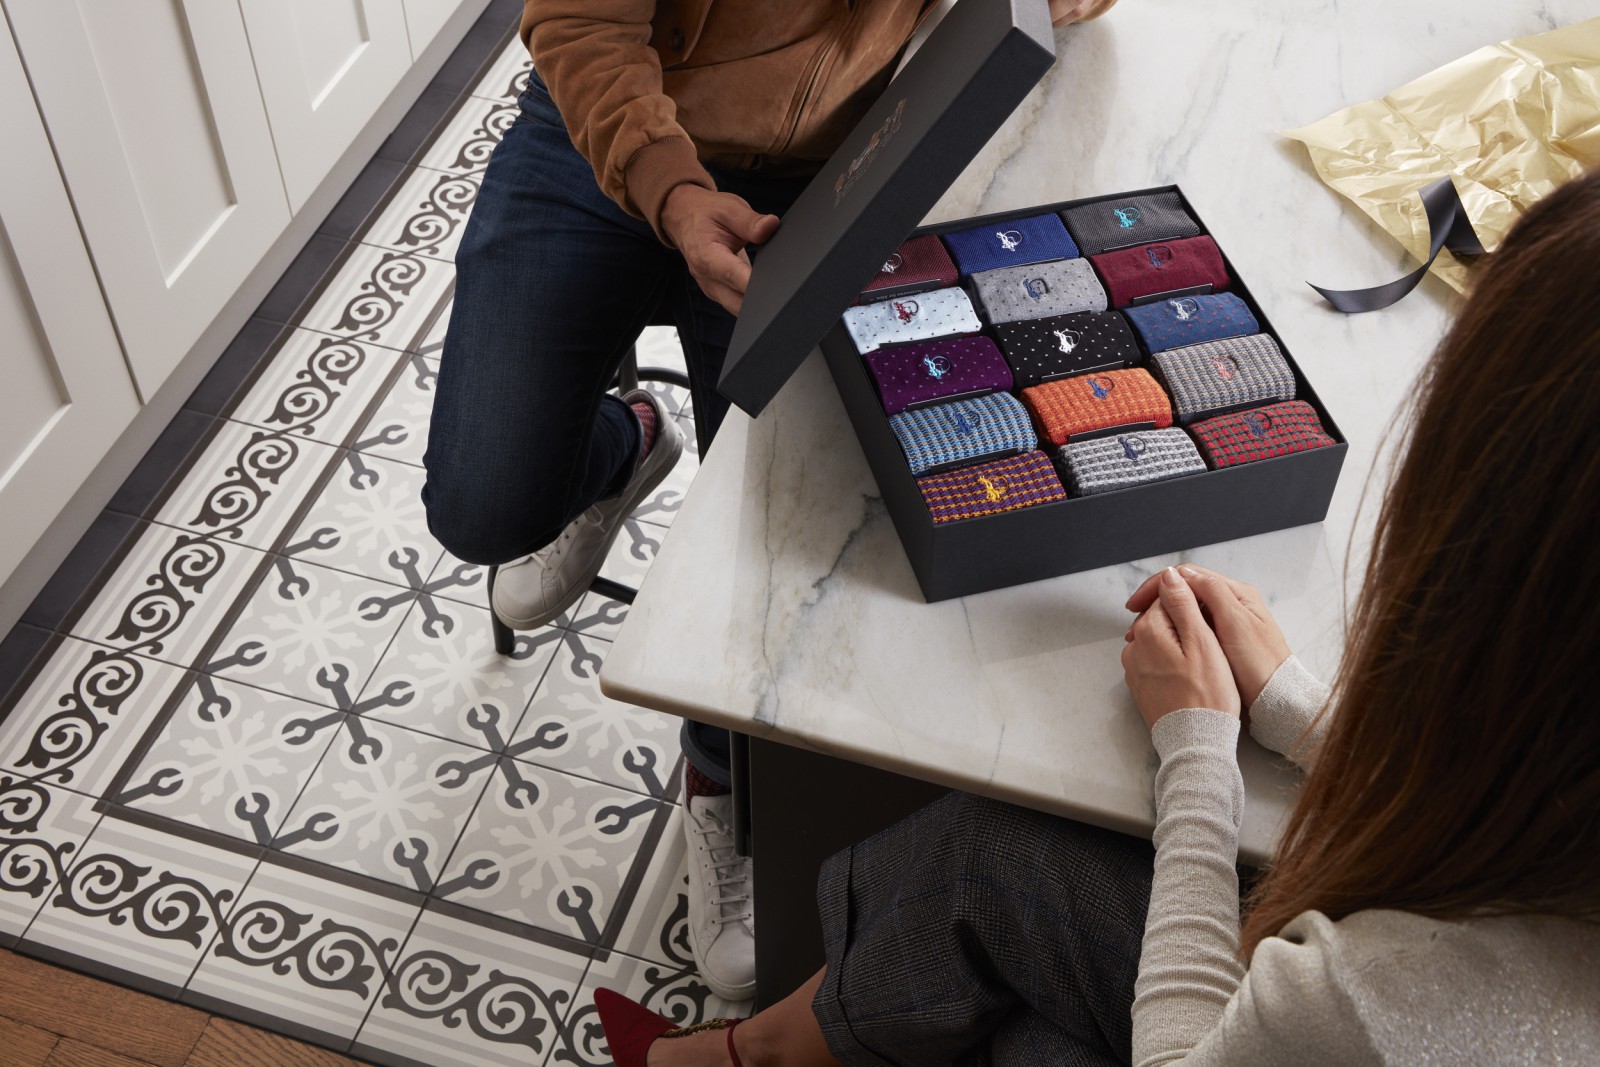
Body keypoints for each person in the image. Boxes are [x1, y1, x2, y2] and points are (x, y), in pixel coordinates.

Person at [590, 165, 1600, 1064]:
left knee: (1025, 1021)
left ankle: (744, 1055)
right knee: (993, 859)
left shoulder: (1391, 998)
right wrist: (1294, 708)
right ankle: (753, 1053)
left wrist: (1197, 750)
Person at [421, 0, 1117, 1001]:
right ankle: (627, 447)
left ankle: (719, 776)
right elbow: (577, 22)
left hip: (826, 167)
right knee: (482, 508)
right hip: (603, 130)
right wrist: (669, 187)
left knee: (773, 544)